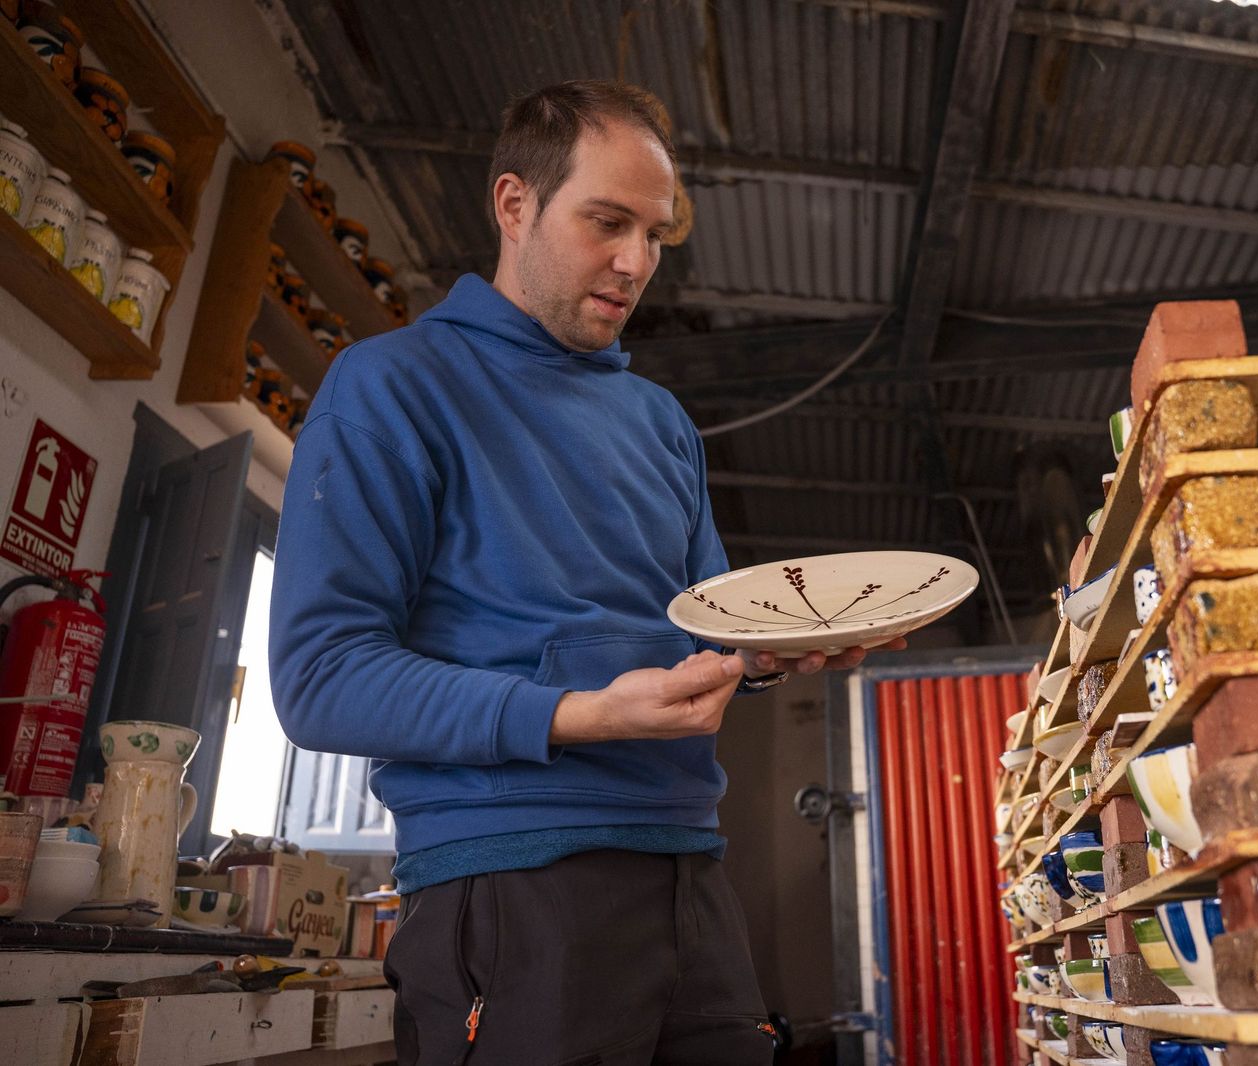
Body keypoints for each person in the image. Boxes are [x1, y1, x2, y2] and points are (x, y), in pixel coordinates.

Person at [268, 80, 901, 1065]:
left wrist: (780, 649)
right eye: (607, 222)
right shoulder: (393, 386)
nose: (636, 262)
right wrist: (584, 713)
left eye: (654, 235)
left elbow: (705, 636)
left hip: (691, 871)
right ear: (514, 203)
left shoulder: (660, 425)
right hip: (513, 881)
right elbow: (321, 679)